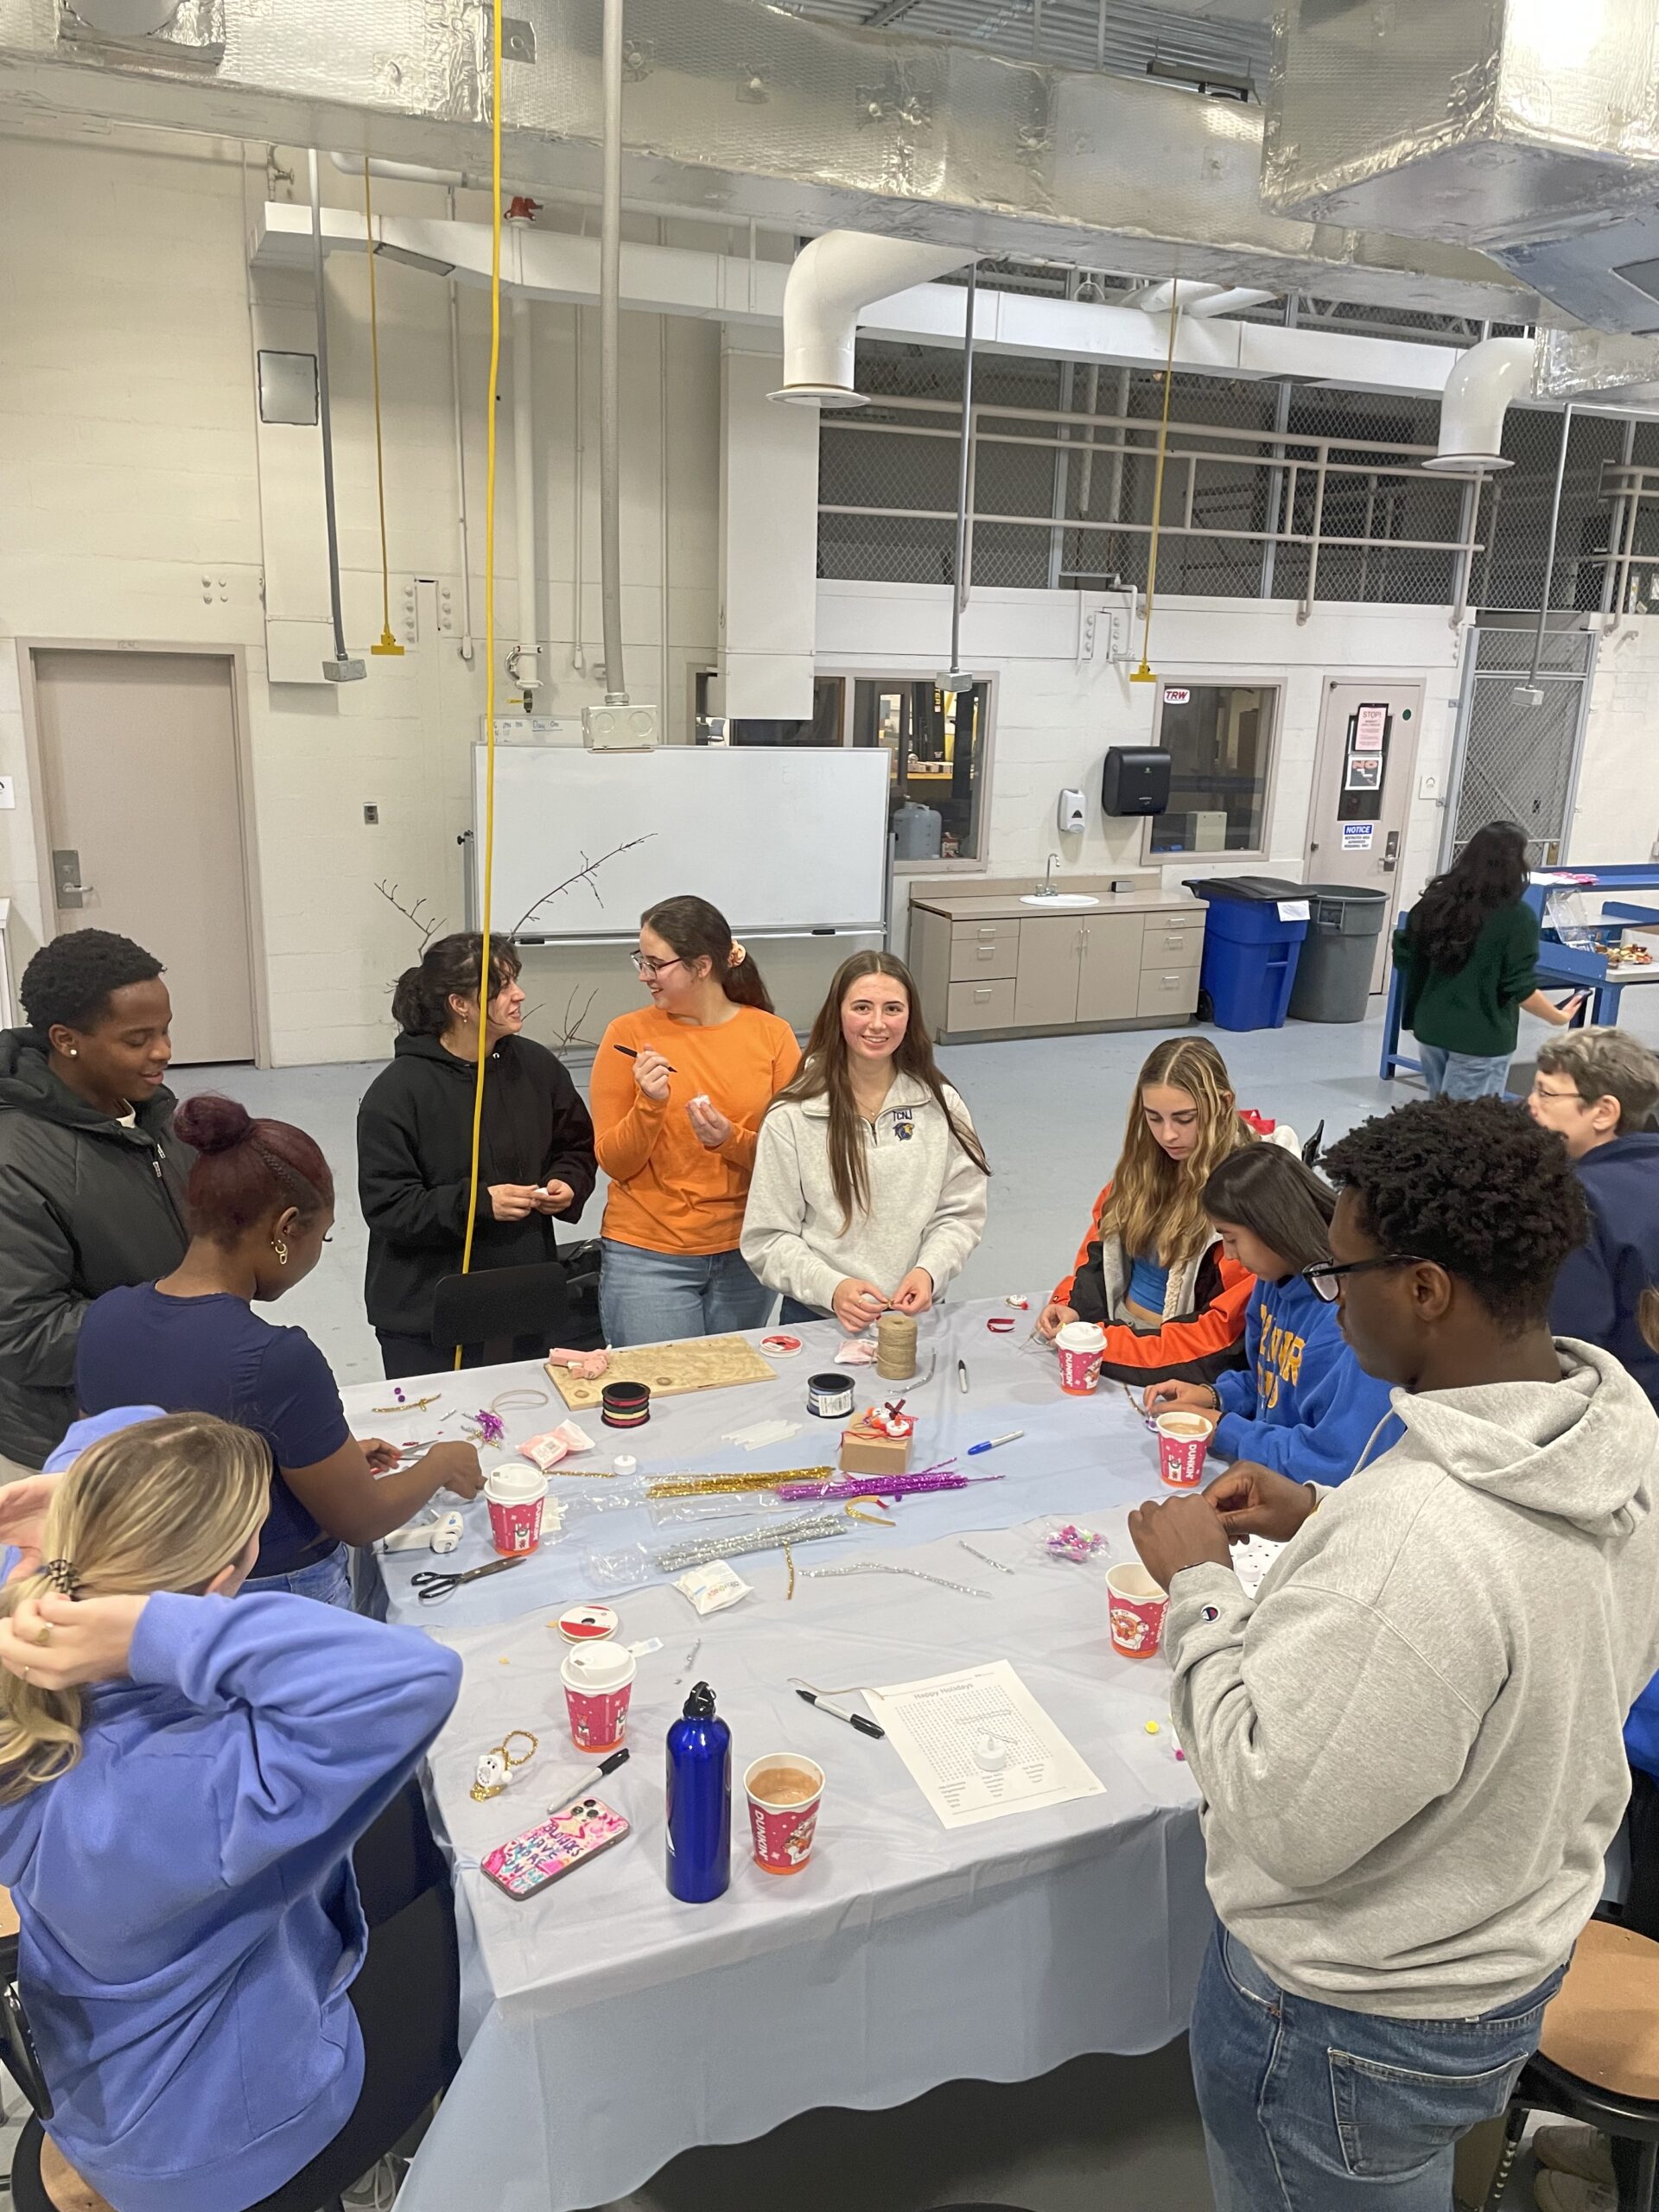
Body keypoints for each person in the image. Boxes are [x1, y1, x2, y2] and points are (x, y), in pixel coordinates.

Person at [1125, 1095, 1659, 2212]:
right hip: (1506, 1955)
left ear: (1423, 1290)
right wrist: (1321, 1511)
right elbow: (1508, 1604)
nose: (1331, 1299)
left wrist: (1200, 1589)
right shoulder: (1615, 1432)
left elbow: (1282, 1814)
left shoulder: (1417, 1531)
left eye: (1342, 1275)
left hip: (1348, 2019)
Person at [0, 1412, 462, 2212]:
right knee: (471, 1937)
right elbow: (414, 1679)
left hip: (109, 2093)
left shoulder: (31, 1640)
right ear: (224, 1584)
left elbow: (116, 1425)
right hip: (230, 2147)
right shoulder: (193, 1778)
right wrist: (160, 1632)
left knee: (386, 1849)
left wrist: (82, 1512)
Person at [77, 1096, 482, 1606]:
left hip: (139, 1587)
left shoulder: (104, 1317)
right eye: (324, 1237)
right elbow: (361, 1520)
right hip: (270, 1592)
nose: (317, 1252)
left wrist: (311, 1457)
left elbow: (153, 1458)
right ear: (286, 1228)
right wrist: (443, 1462)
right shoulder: (276, 1358)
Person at [358, 932, 597, 1379]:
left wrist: (567, 1182)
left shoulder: (537, 1068)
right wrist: (480, 1203)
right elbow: (388, 1206)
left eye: (515, 982)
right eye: (502, 988)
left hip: (522, 1297)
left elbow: (576, 1146)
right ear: (460, 1005)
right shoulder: (396, 1093)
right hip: (428, 1314)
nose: (519, 995)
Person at [0, 931, 189, 1471]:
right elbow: (24, 1335)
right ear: (65, 1039)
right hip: (76, 1448)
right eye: (137, 1039)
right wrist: (179, 1311)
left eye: (166, 1030)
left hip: (166, 1414)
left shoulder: (153, 1116)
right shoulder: (14, 1161)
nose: (164, 1052)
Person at [592, 896, 801, 1345]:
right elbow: (615, 1161)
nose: (644, 976)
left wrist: (730, 1140)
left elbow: (795, 1159)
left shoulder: (772, 1036)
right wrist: (649, 1105)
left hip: (747, 1249)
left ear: (702, 966)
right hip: (649, 1252)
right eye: (640, 961)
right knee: (664, 1398)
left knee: (727, 1399)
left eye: (655, 963)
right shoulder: (626, 1035)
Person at [741, 951, 989, 1329]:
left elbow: (959, 1213)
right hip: (818, 1317)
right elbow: (768, 1237)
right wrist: (833, 1288)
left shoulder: (942, 1105)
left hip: (916, 1316)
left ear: (910, 1017)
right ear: (837, 1014)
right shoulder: (792, 1115)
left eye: (892, 1009)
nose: (877, 1023)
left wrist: (929, 1271)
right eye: (862, 1007)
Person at [1144, 1141, 1399, 1486]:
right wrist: (1217, 1396)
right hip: (1275, 1471)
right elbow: (1272, 1382)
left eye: (1231, 1239)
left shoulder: (1351, 1325)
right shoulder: (1273, 1279)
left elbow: (1335, 1463)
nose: (1230, 1256)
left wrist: (1223, 1428)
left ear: (1273, 1228)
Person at [1039, 1036, 1262, 1389]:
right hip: (1120, 1340)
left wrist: (1100, 1344)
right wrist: (1072, 1309)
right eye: (1154, 1118)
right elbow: (1096, 1255)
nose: (1168, 1135)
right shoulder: (1139, 1169)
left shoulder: (1251, 1193)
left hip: (1174, 1363)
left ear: (1223, 1104)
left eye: (1185, 1118)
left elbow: (1219, 1336)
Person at [1393, 817, 1578, 1100]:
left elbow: (1406, 956)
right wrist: (1557, 1017)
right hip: (1480, 1038)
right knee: (1468, 1129)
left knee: (1437, 1119)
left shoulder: (1434, 902)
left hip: (1431, 1028)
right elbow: (1520, 988)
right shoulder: (1516, 917)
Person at [1528, 1026, 1659, 1414]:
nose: (1530, 1104)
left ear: (1603, 1112)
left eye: (1546, 1093)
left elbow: (1572, 1350)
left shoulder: (1577, 1200)